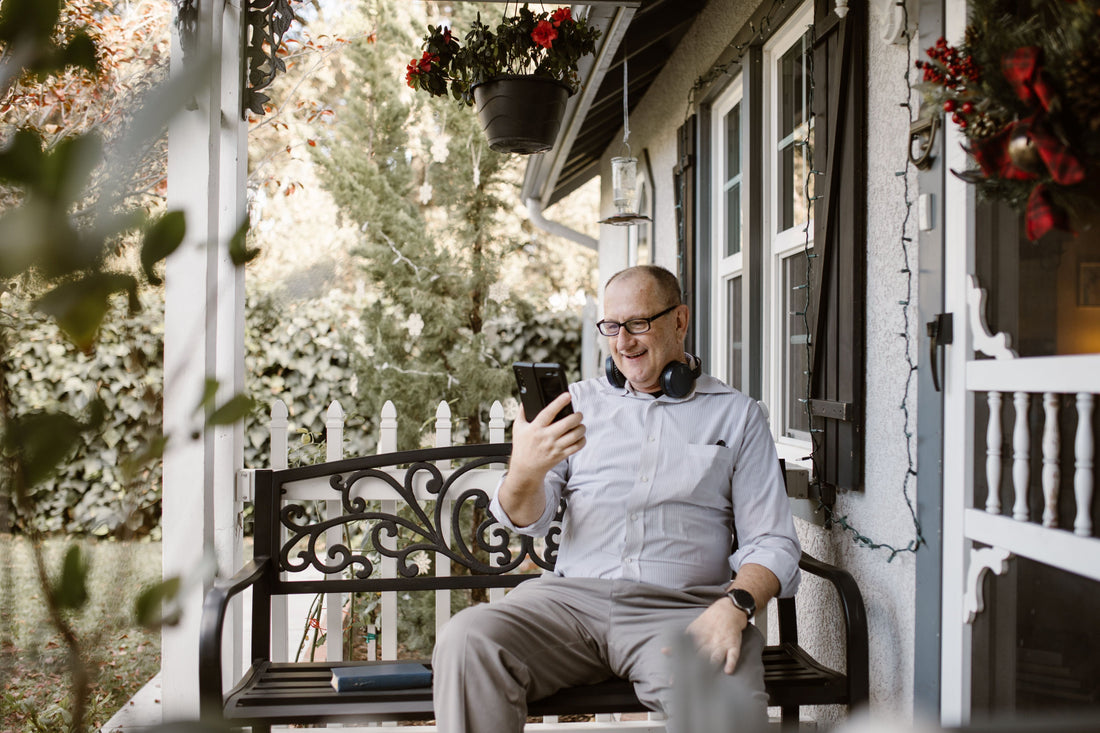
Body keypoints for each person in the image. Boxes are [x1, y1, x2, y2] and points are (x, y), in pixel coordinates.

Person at [432, 264, 801, 732]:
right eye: (612, 326)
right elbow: (527, 519)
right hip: (569, 606)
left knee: (723, 696)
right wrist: (525, 469)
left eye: (638, 324)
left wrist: (735, 606)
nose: (623, 342)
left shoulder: (737, 416)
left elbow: (772, 541)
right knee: (468, 640)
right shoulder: (577, 405)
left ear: (680, 321)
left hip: (681, 612)